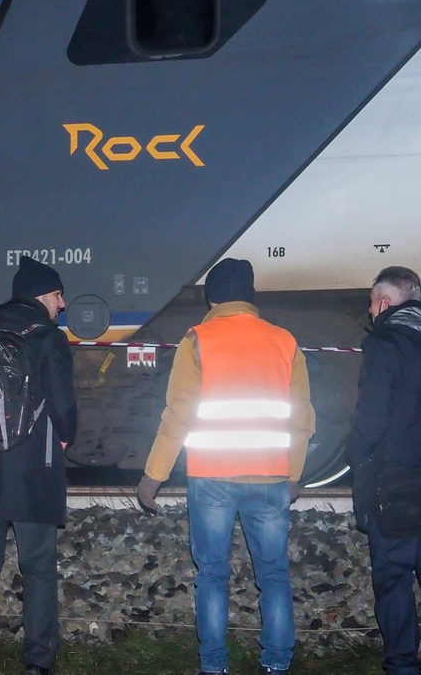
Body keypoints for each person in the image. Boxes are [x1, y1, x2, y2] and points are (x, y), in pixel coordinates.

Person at [137, 258, 315, 675]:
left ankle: (214, 666)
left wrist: (153, 476)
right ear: (250, 296)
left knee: (212, 574)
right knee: (273, 575)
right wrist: (293, 474)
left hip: (212, 477)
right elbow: (302, 417)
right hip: (270, 475)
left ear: (211, 297)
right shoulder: (285, 341)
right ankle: (276, 664)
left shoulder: (197, 340)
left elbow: (178, 413)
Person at [0, 256, 77, 675]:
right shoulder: (47, 335)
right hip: (32, 469)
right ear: (44, 294)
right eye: (59, 295)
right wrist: (65, 436)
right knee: (38, 566)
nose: (62, 305)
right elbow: (63, 403)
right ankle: (38, 662)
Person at [345, 267, 421, 675]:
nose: (370, 310)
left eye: (370, 302)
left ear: (383, 302)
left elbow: (372, 419)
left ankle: (402, 663)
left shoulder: (385, 344)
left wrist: (355, 456)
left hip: (392, 484)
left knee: (394, 576)